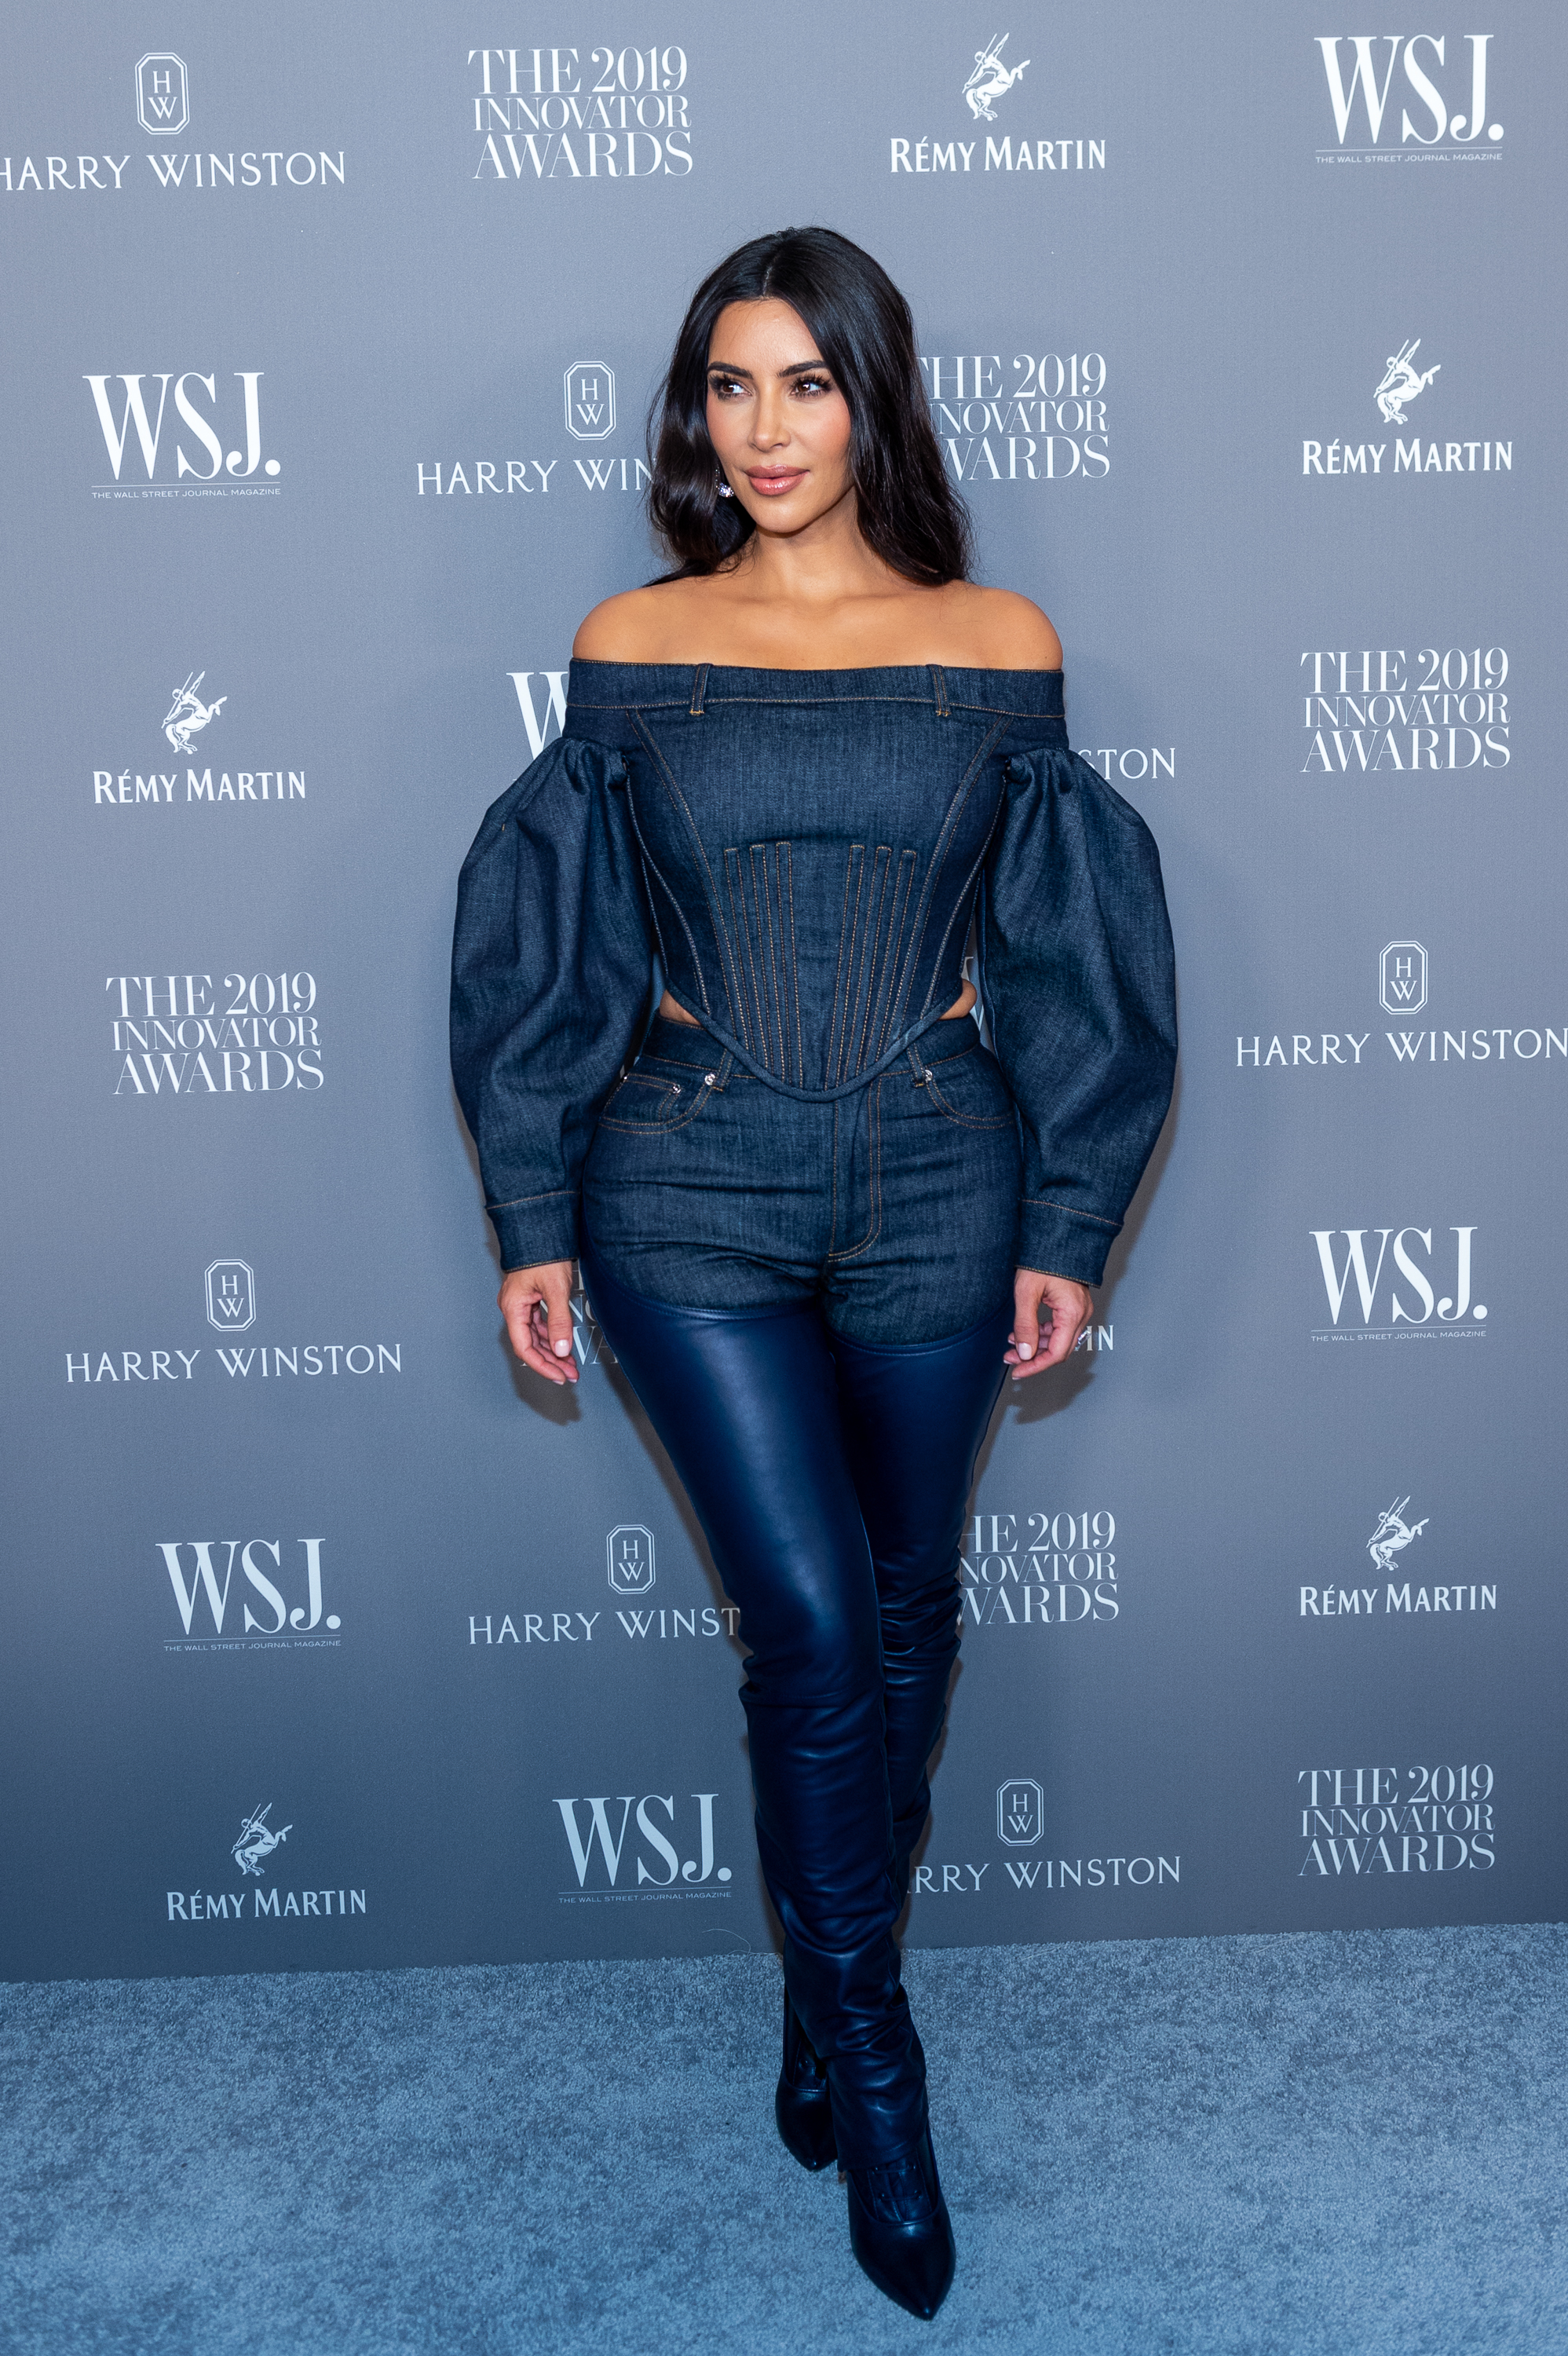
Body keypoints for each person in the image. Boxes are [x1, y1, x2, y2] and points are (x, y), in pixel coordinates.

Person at [451, 225, 1176, 2321]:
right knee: (807, 1619)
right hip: (684, 1182)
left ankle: (818, 1966)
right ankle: (879, 2057)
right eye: (729, 387)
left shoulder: (1000, 635)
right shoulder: (628, 638)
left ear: (877, 397)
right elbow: (553, 946)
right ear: (698, 413)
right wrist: (529, 1212)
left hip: (944, 1173)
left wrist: (1068, 1219)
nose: (762, 429)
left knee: (912, 1605)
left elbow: (1071, 952)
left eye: (806, 384)